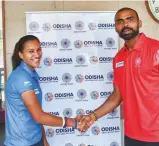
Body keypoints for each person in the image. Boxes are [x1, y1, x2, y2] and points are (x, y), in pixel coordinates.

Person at [77, 7, 159, 146]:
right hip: (132, 134)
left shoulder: (156, 49)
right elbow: (118, 94)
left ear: (139, 23)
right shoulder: (118, 58)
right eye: (120, 21)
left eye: (130, 20)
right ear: (116, 27)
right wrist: (92, 116)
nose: (125, 24)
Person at [4, 35, 88, 146]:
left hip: (35, 139)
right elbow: (39, 116)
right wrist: (74, 123)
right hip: (21, 143)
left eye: (39, 49)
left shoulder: (31, 74)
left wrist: (44, 139)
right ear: (20, 55)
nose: (37, 54)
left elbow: (37, 114)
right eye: (31, 51)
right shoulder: (21, 77)